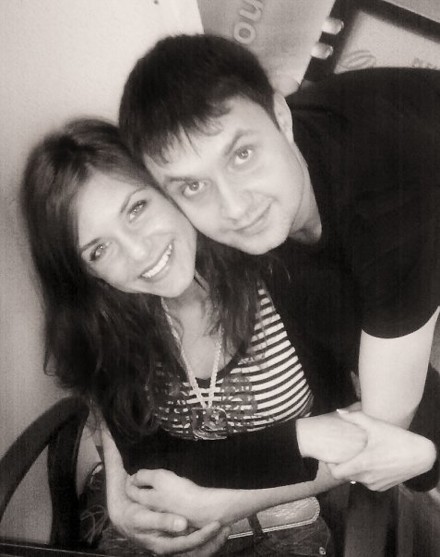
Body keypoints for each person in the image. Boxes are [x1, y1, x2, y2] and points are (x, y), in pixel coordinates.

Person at [21, 118, 374, 556]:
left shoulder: (283, 272)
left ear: (169, 188)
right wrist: (300, 439)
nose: (139, 252)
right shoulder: (110, 325)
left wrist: (223, 503)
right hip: (172, 527)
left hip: (290, 516)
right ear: (87, 273)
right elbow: (148, 461)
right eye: (99, 249)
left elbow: (378, 428)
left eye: (136, 208)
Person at [119, 33, 440, 490]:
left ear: (281, 118)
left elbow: (384, 436)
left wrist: (217, 503)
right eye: (192, 186)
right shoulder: (276, 203)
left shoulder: (386, 208)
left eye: (242, 155)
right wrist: (119, 481)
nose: (234, 207)